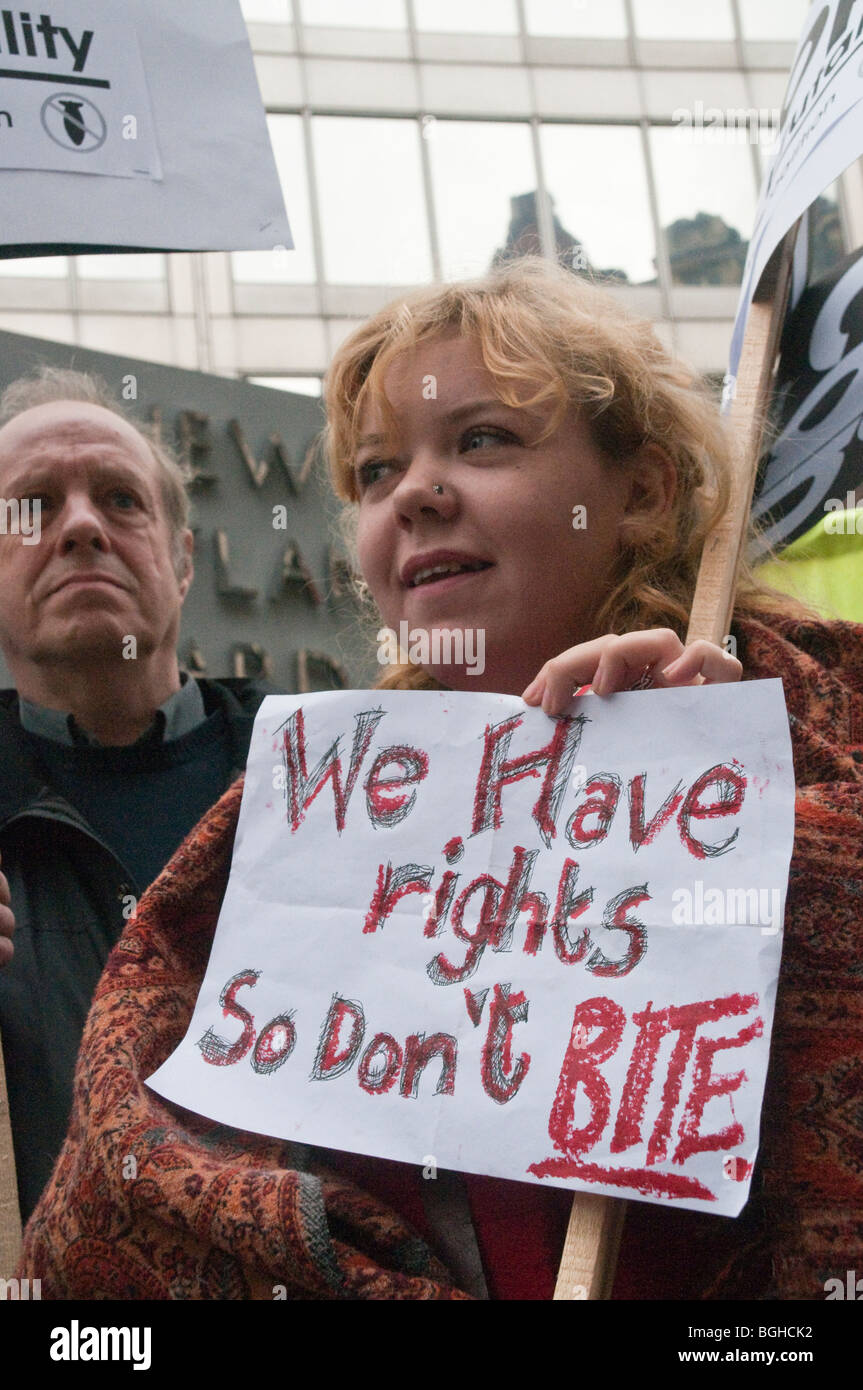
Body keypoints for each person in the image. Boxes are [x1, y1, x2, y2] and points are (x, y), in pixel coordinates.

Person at [17, 261, 863, 1300]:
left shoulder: (804, 737)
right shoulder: (300, 817)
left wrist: (757, 799)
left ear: (637, 491)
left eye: (481, 440)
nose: (413, 492)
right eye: (375, 472)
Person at [0, 368, 275, 1222]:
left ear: (184, 559)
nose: (81, 526)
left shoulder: (328, 785)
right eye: (33, 507)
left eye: (120, 500)